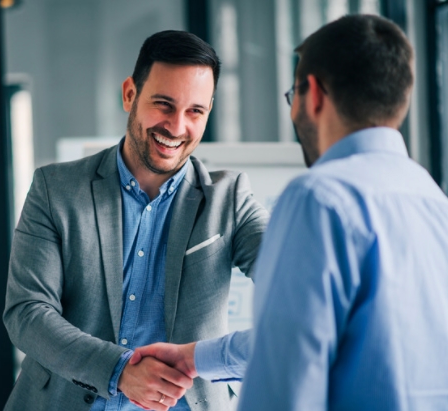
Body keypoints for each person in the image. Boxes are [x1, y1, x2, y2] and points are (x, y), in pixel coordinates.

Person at [131, 14, 448, 410]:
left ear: (312, 93)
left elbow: (285, 374)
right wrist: (195, 358)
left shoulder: (319, 198)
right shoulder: (434, 202)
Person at [3, 30, 269, 411]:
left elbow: (298, 288)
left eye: (195, 111)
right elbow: (27, 313)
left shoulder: (230, 199)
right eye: (163, 104)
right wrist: (120, 370)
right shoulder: (55, 189)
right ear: (130, 94)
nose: (177, 127)